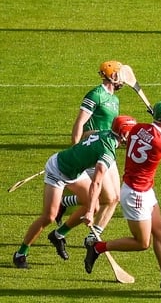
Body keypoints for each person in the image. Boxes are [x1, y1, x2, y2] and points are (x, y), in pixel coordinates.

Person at [83, 101, 161, 296]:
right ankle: (97, 247)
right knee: (142, 243)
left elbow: (137, 130)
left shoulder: (138, 127)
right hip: (136, 194)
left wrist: (159, 129)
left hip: (144, 189)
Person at [12, 115, 137, 269]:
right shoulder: (108, 152)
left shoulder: (105, 132)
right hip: (57, 171)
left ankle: (58, 235)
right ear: (124, 134)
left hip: (75, 173)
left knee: (95, 205)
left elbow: (87, 134)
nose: (134, 137)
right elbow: (97, 182)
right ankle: (20, 254)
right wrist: (90, 213)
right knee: (49, 217)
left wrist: (79, 154)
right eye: (132, 133)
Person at [57, 61, 126, 247]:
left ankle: (69, 209)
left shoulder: (115, 99)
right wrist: (75, 149)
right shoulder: (96, 94)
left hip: (107, 148)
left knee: (115, 198)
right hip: (92, 150)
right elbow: (79, 123)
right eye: (120, 74)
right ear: (112, 76)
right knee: (104, 198)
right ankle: (74, 234)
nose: (124, 79)